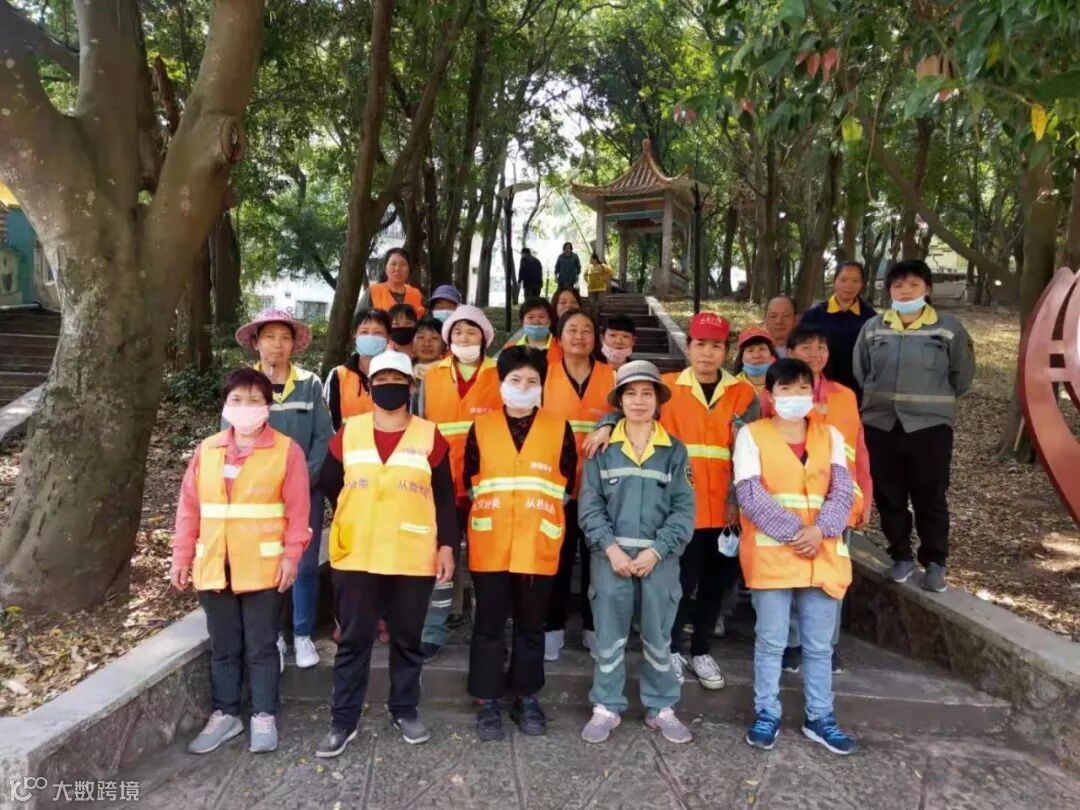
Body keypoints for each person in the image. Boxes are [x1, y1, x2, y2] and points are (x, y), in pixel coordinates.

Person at [584, 313, 758, 689]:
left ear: (726, 351)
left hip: (728, 511)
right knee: (677, 583)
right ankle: (674, 649)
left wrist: (738, 501)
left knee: (715, 584)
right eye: (700, 345)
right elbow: (627, 407)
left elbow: (753, 448)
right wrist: (604, 425)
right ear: (689, 347)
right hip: (677, 509)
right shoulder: (668, 386)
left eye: (716, 346)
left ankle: (702, 650)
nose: (707, 353)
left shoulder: (744, 394)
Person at [315, 351, 457, 755]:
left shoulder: (430, 435)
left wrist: (447, 546)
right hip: (357, 552)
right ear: (370, 386)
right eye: (380, 379)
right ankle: (344, 721)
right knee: (353, 640)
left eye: (397, 379)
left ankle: (405, 710)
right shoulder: (350, 432)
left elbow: (445, 497)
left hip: (411, 554)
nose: (389, 386)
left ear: (410, 386)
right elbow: (329, 481)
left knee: (408, 639)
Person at [171, 368, 312, 755]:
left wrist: (292, 557)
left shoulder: (286, 451)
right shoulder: (207, 450)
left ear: (268, 406)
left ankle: (263, 714)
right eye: (236, 399)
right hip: (215, 565)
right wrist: (181, 555)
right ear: (225, 404)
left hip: (264, 568)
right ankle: (226, 714)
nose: (245, 407)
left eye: (254, 400)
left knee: (262, 646)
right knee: (224, 645)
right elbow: (189, 509)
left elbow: (299, 512)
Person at [734, 358, 856, 756]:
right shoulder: (752, 435)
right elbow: (749, 493)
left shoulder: (830, 435)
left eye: (802, 387)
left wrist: (819, 531)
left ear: (812, 392)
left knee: (818, 646)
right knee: (771, 641)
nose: (794, 395)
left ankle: (820, 716)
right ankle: (766, 712)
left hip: (822, 553)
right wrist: (796, 534)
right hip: (773, 555)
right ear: (770, 395)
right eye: (785, 388)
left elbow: (843, 491)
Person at [578, 361, 696, 745]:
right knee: (609, 638)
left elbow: (683, 511)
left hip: (658, 563)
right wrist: (611, 550)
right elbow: (590, 508)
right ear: (619, 400)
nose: (639, 401)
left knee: (658, 638)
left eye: (647, 393)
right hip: (610, 560)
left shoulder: (674, 450)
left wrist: (657, 552)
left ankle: (661, 707)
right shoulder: (602, 449)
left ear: (659, 400)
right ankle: (606, 706)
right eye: (630, 393)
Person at [466, 347, 577, 741]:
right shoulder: (481, 427)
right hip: (491, 540)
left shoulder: (559, 428)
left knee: (531, 626)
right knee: (488, 625)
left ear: (542, 385)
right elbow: (470, 479)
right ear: (501, 383)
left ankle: (527, 696)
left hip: (536, 540)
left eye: (532, 381)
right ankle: (487, 699)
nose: (523, 387)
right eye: (515, 380)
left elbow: (567, 483)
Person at [854, 259, 974, 593]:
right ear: (888, 290)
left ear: (927, 289)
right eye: (898, 285)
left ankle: (935, 562)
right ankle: (901, 555)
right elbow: (862, 370)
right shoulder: (873, 328)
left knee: (930, 494)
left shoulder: (948, 328)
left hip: (929, 427)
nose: (905, 291)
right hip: (880, 424)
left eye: (913, 285)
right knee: (888, 494)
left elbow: (962, 376)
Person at [234, 309, 332, 671]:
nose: (277, 344)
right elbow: (230, 437)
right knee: (268, 564)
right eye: (270, 337)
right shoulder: (245, 386)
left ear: (294, 344)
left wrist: (302, 480)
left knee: (304, 565)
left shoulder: (310, 384)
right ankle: (274, 634)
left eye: (285, 337)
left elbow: (324, 437)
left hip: (305, 491)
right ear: (256, 343)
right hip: (259, 497)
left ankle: (302, 633)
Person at [778, 324, 873, 674]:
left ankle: (826, 646)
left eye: (821, 347)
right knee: (792, 573)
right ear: (790, 352)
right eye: (806, 347)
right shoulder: (777, 395)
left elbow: (858, 450)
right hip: (792, 500)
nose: (815, 354)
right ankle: (792, 643)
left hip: (838, 501)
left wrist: (866, 496)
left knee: (832, 576)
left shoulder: (844, 395)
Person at [417, 305, 502, 656]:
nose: (464, 338)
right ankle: (433, 631)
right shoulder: (432, 376)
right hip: (441, 483)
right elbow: (421, 425)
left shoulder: (501, 373)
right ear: (448, 338)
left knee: (487, 560)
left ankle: (488, 630)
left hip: (488, 484)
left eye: (471, 331)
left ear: (484, 337)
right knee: (439, 556)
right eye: (457, 332)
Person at [542, 309, 616, 661]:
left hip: (602, 486)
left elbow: (629, 414)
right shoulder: (544, 375)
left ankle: (594, 627)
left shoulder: (612, 376)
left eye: (587, 330)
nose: (580, 336)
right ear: (559, 338)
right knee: (556, 558)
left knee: (597, 560)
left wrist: (609, 423)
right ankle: (551, 627)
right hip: (554, 484)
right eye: (572, 329)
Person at [797, 261, 877, 398]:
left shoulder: (870, 317)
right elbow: (800, 350)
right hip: (819, 387)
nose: (849, 285)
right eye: (844, 279)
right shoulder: (813, 315)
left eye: (855, 281)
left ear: (862, 285)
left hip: (858, 389)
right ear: (835, 281)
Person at [324, 309, 392, 431]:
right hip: (347, 442)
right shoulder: (338, 375)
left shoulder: (398, 375)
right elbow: (329, 422)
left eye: (377, 332)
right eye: (364, 332)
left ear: (388, 337)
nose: (370, 337)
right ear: (355, 335)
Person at [358, 247, 427, 317]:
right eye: (393, 264)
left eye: (402, 264)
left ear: (408, 269)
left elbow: (425, 320)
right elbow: (358, 319)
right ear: (386, 269)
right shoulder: (373, 292)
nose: (397, 268)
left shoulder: (417, 294)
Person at [503, 297, 563, 367]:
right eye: (530, 317)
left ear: (550, 321)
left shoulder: (562, 346)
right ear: (522, 322)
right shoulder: (510, 348)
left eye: (541, 317)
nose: (536, 321)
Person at [733, 326, 778, 395]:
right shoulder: (731, 386)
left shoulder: (785, 382)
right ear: (741, 358)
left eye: (762, 349)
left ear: (771, 355)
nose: (756, 355)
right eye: (750, 350)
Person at [413, 316, 448, 382]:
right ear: (412, 343)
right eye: (421, 337)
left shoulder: (450, 374)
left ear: (444, 345)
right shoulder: (404, 372)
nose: (427, 344)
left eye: (434, 338)